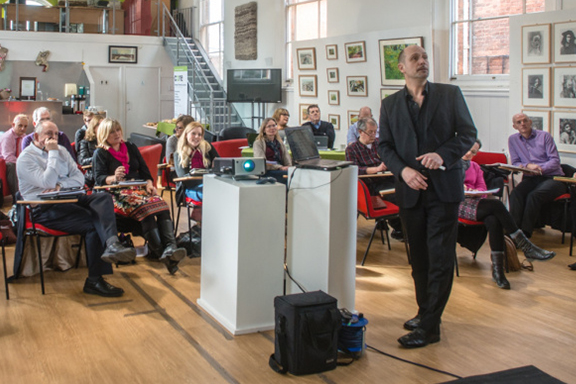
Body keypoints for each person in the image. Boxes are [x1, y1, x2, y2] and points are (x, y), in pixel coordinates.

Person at [378, 45, 477, 348]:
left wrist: (442, 155)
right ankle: (425, 313)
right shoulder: (390, 104)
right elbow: (384, 146)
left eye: (425, 57)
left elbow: (467, 134)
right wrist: (403, 171)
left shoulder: (450, 94)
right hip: (410, 191)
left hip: (444, 190)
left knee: (440, 258)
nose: (422, 62)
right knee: (418, 258)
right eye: (415, 58)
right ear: (402, 68)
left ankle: (430, 327)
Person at [16, 120, 136, 297]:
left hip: (68, 197)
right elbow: (47, 182)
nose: (53, 138)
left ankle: (112, 244)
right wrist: (53, 154)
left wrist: (60, 186)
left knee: (102, 198)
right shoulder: (26, 158)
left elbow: (79, 178)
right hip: (44, 208)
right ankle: (95, 281)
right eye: (49, 134)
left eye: (56, 134)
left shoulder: (62, 151)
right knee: (93, 224)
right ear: (36, 136)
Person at [93, 118, 186, 275]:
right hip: (116, 193)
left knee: (161, 205)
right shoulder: (101, 153)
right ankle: (166, 255)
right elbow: (99, 179)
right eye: (111, 132)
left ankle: (170, 248)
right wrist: (114, 177)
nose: (116, 134)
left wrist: (150, 184)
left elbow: (145, 171)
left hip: (139, 189)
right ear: (104, 135)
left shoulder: (130, 147)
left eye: (118, 130)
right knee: (146, 212)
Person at [459, 140, 555, 290]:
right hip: (456, 205)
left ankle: (498, 272)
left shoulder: (476, 166)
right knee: (497, 205)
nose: (469, 154)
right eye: (468, 149)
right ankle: (525, 245)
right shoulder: (451, 165)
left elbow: (482, 188)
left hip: (475, 202)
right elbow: (446, 187)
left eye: (473, 152)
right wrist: (461, 188)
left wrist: (475, 193)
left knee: (493, 220)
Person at [508, 113, 566, 238]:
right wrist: (527, 166)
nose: (522, 124)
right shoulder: (513, 139)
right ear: (515, 126)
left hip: (552, 177)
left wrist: (540, 169)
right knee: (516, 194)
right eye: (519, 122)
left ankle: (525, 234)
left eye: (525, 121)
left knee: (534, 195)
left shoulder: (544, 136)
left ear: (530, 122)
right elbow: (516, 162)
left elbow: (555, 160)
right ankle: (513, 231)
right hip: (531, 177)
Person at [346, 117, 403, 239]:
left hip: (387, 178)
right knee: (394, 195)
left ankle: (403, 226)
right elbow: (354, 170)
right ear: (360, 132)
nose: (373, 135)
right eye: (370, 132)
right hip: (370, 184)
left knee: (407, 188)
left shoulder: (379, 144)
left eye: (375, 131)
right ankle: (399, 229)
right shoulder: (352, 149)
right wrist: (376, 169)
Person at [174, 122, 219, 206]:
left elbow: (219, 163)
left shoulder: (207, 147)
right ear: (186, 134)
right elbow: (184, 177)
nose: (197, 137)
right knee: (211, 194)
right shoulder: (178, 154)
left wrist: (216, 167)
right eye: (193, 134)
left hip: (209, 184)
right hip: (189, 188)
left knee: (226, 191)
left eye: (199, 134)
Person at [253, 118, 292, 183]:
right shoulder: (258, 143)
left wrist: (289, 167)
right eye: (269, 126)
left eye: (274, 125)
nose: (272, 128)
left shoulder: (279, 142)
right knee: (286, 176)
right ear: (264, 130)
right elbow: (261, 162)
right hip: (268, 170)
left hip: (281, 169)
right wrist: (279, 167)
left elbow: (286, 158)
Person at [0, 114, 29, 199]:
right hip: (5, 163)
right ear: (13, 125)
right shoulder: (7, 137)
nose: (23, 129)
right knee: (12, 166)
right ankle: (17, 197)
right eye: (20, 126)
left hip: (17, 160)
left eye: (25, 126)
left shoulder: (24, 137)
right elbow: (8, 157)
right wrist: (21, 164)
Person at [77, 115, 104, 187]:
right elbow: (82, 161)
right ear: (93, 127)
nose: (102, 128)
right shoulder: (85, 142)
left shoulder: (109, 141)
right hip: (92, 174)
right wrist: (98, 158)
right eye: (99, 125)